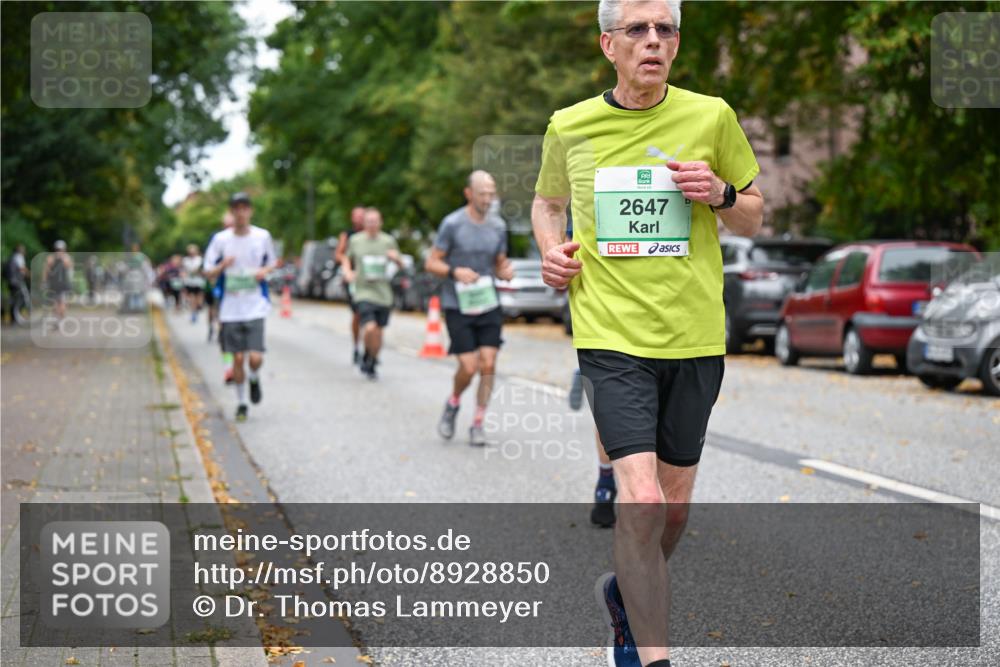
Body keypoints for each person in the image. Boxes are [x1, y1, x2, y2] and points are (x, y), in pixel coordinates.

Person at [532, 1, 764, 665]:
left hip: (693, 337)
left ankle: (625, 592)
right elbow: (547, 203)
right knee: (639, 496)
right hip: (610, 335)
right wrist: (551, 248)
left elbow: (752, 215)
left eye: (666, 30)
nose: (654, 41)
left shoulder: (711, 116)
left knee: (673, 511)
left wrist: (720, 193)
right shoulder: (570, 126)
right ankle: (649, 650)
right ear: (609, 44)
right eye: (638, 29)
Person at [426, 170, 514, 447]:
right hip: (458, 304)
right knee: (469, 366)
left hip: (487, 303)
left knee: (488, 365)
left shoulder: (498, 226)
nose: (488, 199)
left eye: (491, 193)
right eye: (482, 193)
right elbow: (432, 262)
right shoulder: (452, 224)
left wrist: (505, 271)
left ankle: (478, 422)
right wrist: (455, 272)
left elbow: (499, 262)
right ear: (469, 194)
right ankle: (453, 402)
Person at [204, 193, 277, 422]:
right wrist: (222, 265)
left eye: (244, 208)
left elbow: (272, 263)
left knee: (254, 357)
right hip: (230, 308)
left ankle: (254, 377)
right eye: (236, 208)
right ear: (232, 212)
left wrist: (263, 273)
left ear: (250, 211)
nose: (240, 212)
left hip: (255, 306)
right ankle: (242, 402)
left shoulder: (262, 236)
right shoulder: (220, 240)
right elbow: (207, 270)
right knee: (236, 359)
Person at [340, 207, 404, 380]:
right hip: (363, 291)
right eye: (369, 221)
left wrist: (395, 258)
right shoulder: (356, 240)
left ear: (380, 222)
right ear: (364, 223)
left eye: (375, 221)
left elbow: (401, 264)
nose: (372, 224)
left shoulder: (388, 241)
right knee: (369, 327)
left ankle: (371, 358)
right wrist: (347, 272)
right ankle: (367, 354)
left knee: (378, 333)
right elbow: (346, 257)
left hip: (383, 293)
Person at [335, 206, 367, 364]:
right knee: (358, 313)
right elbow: (339, 254)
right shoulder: (348, 235)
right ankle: (356, 346)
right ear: (352, 218)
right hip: (353, 278)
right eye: (357, 216)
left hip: (371, 279)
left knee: (370, 313)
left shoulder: (372, 234)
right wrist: (347, 268)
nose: (360, 218)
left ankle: (370, 349)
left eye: (363, 215)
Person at [44, 240, 73, 322]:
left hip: (54, 283)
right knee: (62, 302)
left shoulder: (50, 257)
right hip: (63, 283)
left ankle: (57, 318)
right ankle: (60, 318)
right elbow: (70, 267)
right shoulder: (66, 257)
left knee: (55, 302)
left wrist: (45, 281)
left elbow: (46, 270)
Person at [182, 243, 206, 323]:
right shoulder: (185, 260)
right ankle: (193, 313)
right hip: (190, 282)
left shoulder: (200, 259)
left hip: (198, 282)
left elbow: (203, 270)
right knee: (192, 298)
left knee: (198, 298)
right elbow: (184, 270)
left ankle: (197, 308)